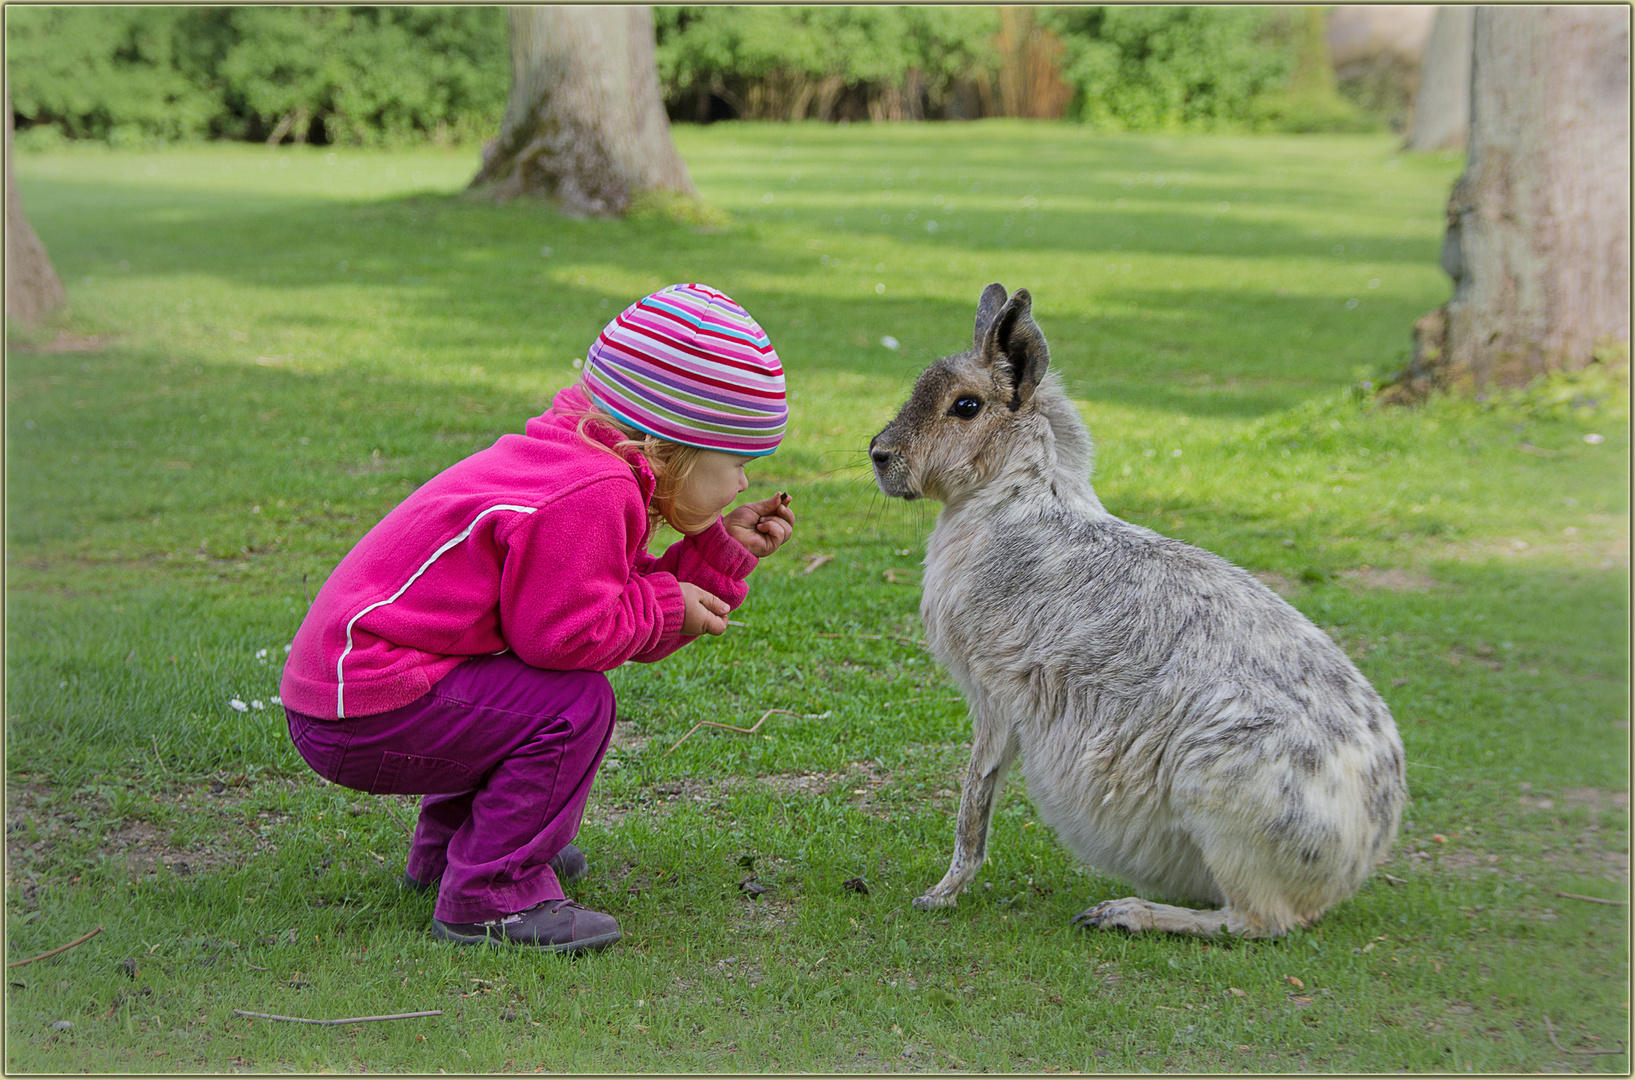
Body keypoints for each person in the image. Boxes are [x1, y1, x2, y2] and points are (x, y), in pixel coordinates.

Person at [279, 283, 795, 954]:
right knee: (569, 705)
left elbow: (599, 596)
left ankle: (452, 858)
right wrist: (671, 606)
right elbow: (568, 637)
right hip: (366, 712)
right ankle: (489, 895)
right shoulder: (593, 491)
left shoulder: (584, 460)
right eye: (737, 463)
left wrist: (716, 553)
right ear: (669, 446)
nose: (744, 484)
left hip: (353, 696)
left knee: (520, 692)